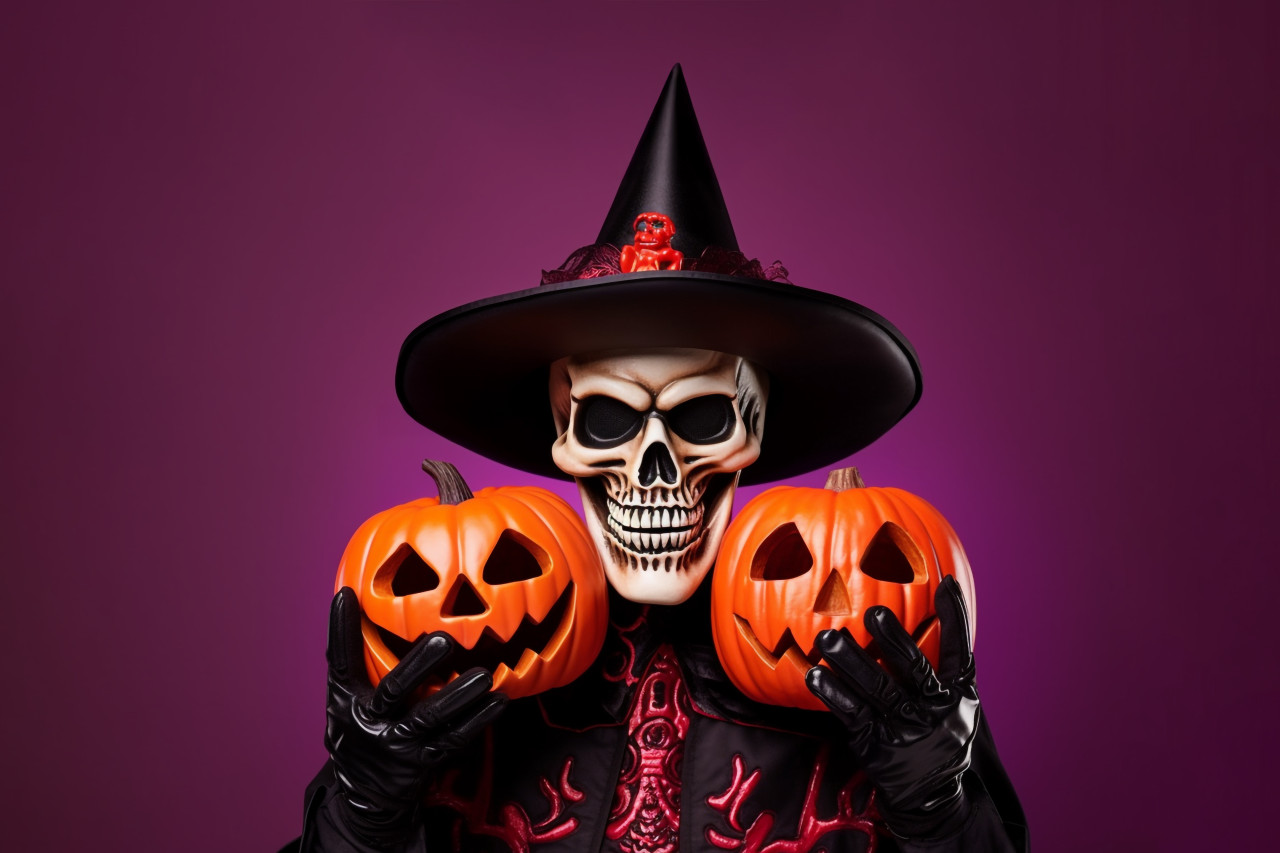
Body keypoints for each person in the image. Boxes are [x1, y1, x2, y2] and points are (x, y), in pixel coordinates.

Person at [289, 65, 1028, 853]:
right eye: (606, 418)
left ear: (756, 428)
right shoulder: (468, 649)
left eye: (701, 417)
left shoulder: (864, 666)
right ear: (560, 430)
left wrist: (940, 812)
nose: (655, 465)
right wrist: (362, 815)